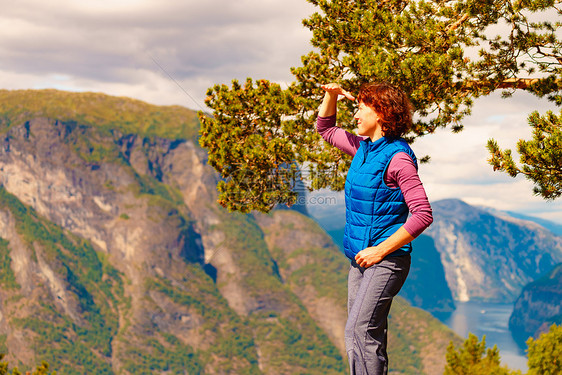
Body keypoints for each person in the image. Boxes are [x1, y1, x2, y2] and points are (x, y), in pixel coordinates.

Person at [316, 82, 433, 375]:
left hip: (386, 260)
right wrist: (331, 95)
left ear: (380, 113)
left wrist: (379, 251)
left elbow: (422, 214)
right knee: (363, 335)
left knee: (360, 330)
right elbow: (326, 129)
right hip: (360, 260)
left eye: (361, 109)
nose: (355, 116)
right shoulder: (363, 148)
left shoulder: (399, 159)